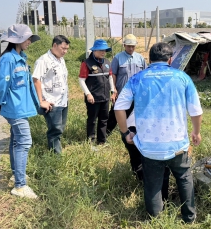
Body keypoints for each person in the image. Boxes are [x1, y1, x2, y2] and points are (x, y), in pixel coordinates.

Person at [114, 42, 203, 223]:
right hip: (177, 143)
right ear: (170, 59)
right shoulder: (182, 77)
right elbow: (196, 110)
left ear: (149, 59)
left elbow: (119, 107)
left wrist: (125, 133)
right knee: (184, 178)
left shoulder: (138, 78)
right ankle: (189, 218)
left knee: (153, 183)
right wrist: (196, 132)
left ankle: (156, 219)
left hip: (148, 146)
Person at [0, 24, 40, 199]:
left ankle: (16, 173)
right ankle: (20, 186)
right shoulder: (8, 59)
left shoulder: (21, 57)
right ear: (17, 41)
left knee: (16, 141)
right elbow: (1, 85)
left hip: (20, 107)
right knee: (25, 142)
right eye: (27, 38)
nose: (29, 42)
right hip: (14, 108)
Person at [107, 34, 147, 178]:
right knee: (115, 114)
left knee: (134, 116)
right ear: (124, 45)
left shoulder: (140, 58)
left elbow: (144, 74)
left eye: (133, 46)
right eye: (129, 46)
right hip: (122, 94)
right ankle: (105, 134)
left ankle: (132, 132)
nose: (131, 48)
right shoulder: (118, 58)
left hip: (137, 94)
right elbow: (114, 75)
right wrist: (114, 90)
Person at [32, 35, 70, 154]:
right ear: (54, 45)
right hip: (52, 101)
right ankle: (55, 156)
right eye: (63, 48)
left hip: (63, 100)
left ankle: (55, 149)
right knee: (55, 130)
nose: (65, 51)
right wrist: (41, 100)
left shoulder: (60, 59)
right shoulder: (44, 60)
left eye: (67, 49)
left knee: (60, 128)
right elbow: (36, 79)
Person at [78, 39, 115, 145]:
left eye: (105, 50)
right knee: (92, 119)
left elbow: (110, 77)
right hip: (93, 97)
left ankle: (102, 141)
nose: (103, 52)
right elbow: (81, 80)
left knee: (104, 119)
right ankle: (91, 140)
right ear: (94, 51)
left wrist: (112, 91)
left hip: (105, 96)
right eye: (100, 50)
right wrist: (88, 94)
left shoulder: (107, 62)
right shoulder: (87, 63)